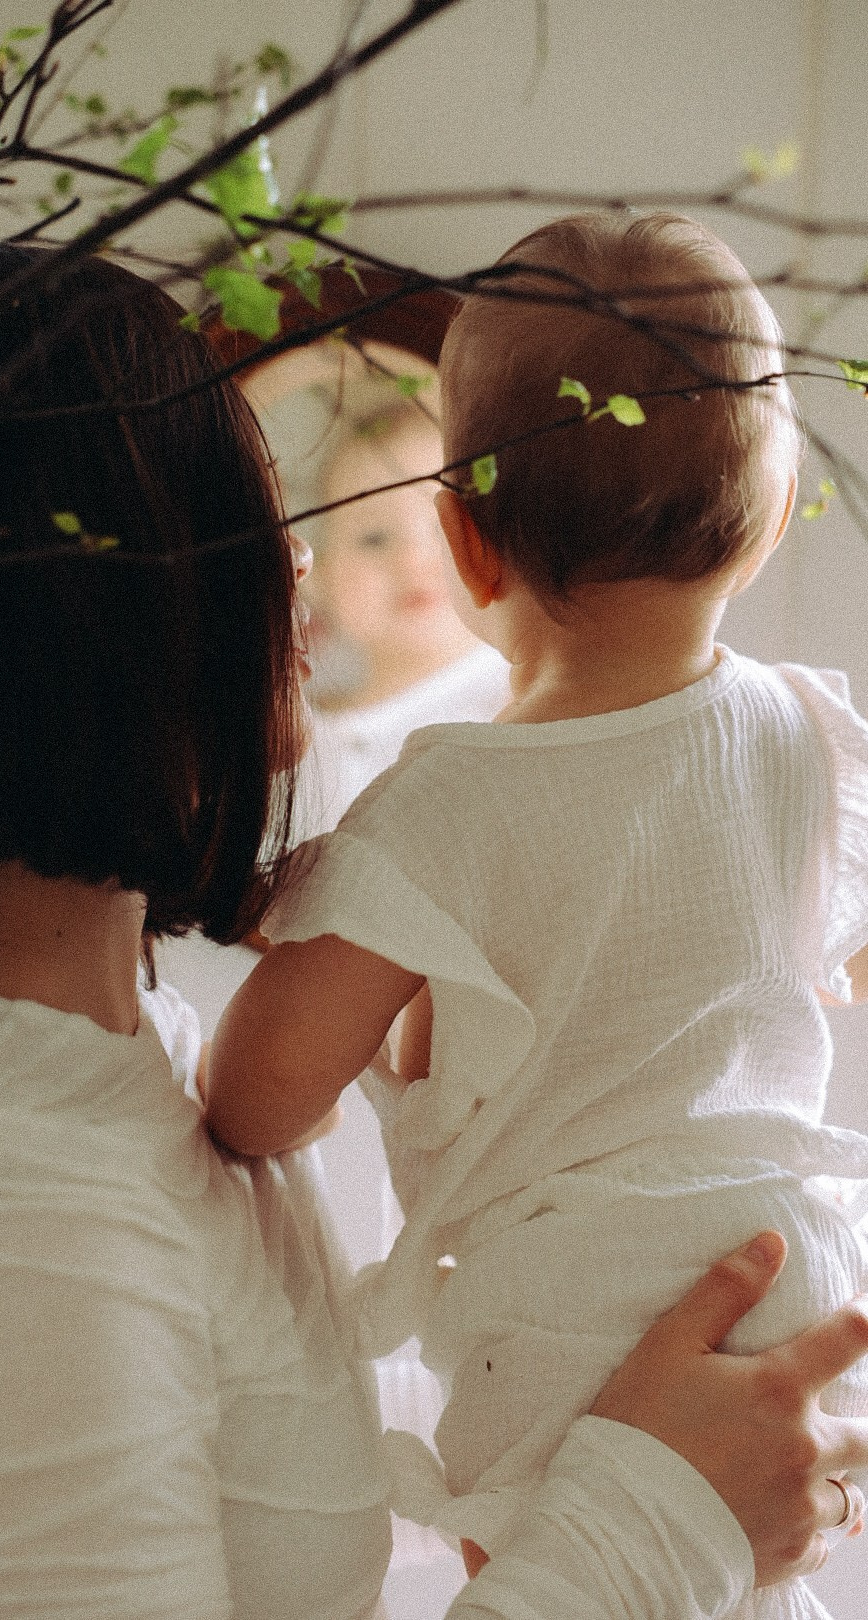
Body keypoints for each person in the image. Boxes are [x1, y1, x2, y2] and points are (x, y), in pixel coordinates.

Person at [0, 241, 864, 1620]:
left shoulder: (97, 1078)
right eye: (251, 519)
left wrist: (681, 1434)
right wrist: (659, 1514)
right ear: (106, 617)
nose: (297, 562)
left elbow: (252, 1465)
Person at [204, 214, 868, 1619]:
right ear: (768, 523)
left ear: (465, 540)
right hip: (792, 1266)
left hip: (572, 1312)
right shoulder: (812, 737)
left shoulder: (443, 808)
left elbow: (256, 1101)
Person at [296, 404, 509, 839]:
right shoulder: (301, 743)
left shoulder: (521, 696)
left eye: (445, 529)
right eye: (373, 538)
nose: (413, 561)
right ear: (319, 575)